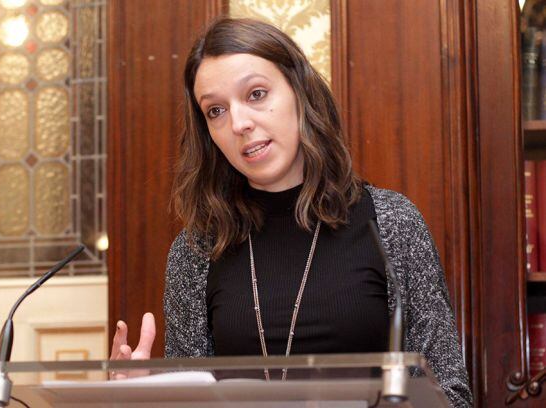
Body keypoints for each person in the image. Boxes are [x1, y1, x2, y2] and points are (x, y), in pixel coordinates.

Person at [109, 17, 472, 408]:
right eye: (215, 111)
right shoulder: (197, 250)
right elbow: (192, 400)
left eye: (256, 94)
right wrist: (144, 398)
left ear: (300, 92)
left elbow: (450, 392)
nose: (239, 123)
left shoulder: (391, 222)